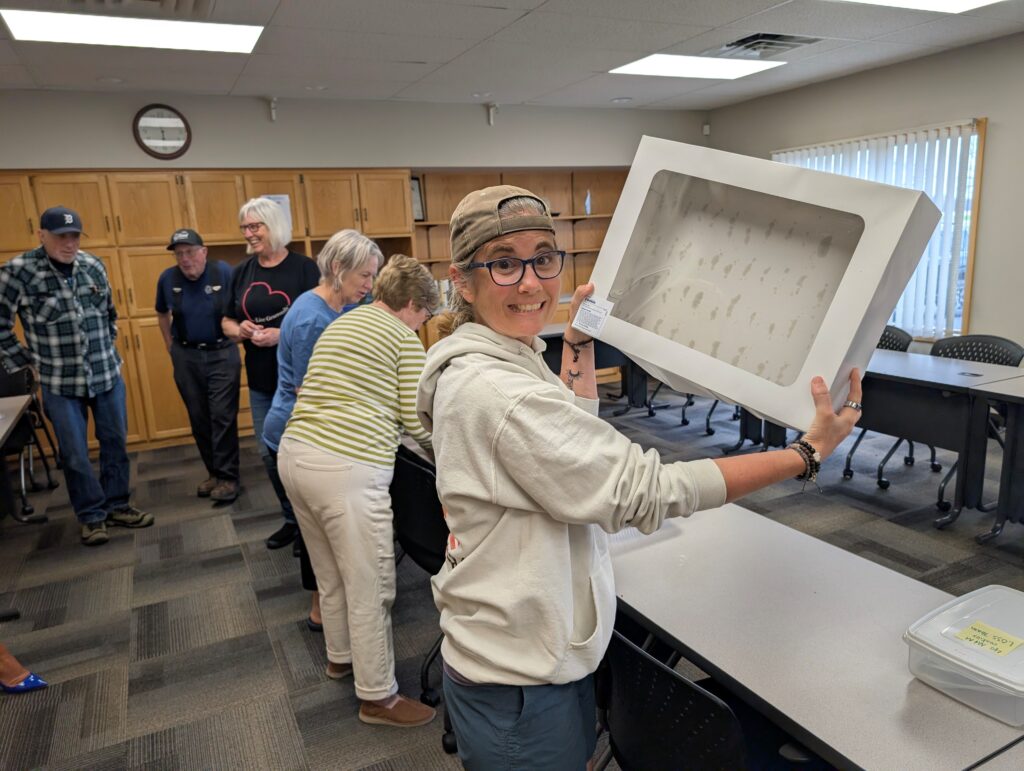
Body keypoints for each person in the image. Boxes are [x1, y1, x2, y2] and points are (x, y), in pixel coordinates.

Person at [415, 186, 863, 770]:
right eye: (504, 264)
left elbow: (567, 428)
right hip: (518, 681)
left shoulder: (503, 355)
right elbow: (646, 490)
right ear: (463, 282)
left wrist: (576, 343)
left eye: (543, 258)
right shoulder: (497, 391)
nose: (530, 282)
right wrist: (804, 454)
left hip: (518, 653)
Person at [277, 254, 439, 728]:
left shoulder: (343, 323)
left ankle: (341, 657)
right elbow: (418, 422)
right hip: (346, 470)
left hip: (296, 454)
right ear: (412, 304)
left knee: (330, 573)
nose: (422, 325)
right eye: (425, 316)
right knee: (371, 585)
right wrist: (448, 452)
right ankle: (378, 697)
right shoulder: (402, 339)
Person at [0, 206, 153, 547]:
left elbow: (109, 313)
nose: (69, 243)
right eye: (60, 237)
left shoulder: (93, 265)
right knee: (74, 454)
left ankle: (117, 506)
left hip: (106, 375)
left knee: (115, 443)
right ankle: (92, 516)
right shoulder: (17, 272)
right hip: (60, 383)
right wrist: (27, 362)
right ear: (41, 235)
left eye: (74, 236)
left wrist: (106, 348)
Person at [261, 229, 381, 631]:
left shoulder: (338, 306)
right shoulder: (313, 318)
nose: (369, 285)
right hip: (296, 434)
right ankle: (321, 612)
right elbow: (313, 392)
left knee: (320, 531)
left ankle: (327, 606)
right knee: (319, 535)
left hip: (309, 431)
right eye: (364, 276)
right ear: (338, 268)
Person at [221, 198, 319, 549]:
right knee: (269, 452)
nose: (248, 234)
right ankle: (292, 520)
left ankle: (312, 526)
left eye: (254, 226)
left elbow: (324, 321)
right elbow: (226, 321)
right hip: (262, 382)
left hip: (302, 383)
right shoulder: (241, 272)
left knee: (306, 455)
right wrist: (241, 330)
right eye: (244, 228)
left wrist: (282, 334)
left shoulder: (305, 269)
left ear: (273, 225)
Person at [155, 228, 241, 502]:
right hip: (186, 356)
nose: (185, 259)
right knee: (199, 417)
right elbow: (161, 313)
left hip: (222, 353)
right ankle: (214, 472)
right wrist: (169, 345)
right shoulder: (167, 279)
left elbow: (240, 306)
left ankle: (228, 478)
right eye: (179, 254)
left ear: (204, 252)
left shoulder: (223, 272)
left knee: (222, 416)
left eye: (190, 252)